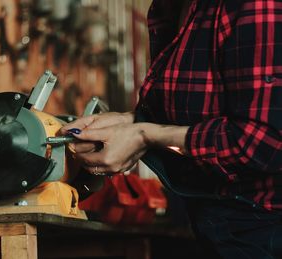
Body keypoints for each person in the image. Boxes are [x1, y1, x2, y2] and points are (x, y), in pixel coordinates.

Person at [60, 0, 282, 258]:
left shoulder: (253, 4)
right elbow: (197, 110)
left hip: (265, 227)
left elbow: (267, 140)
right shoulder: (169, 8)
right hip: (216, 224)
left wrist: (146, 135)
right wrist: (129, 121)